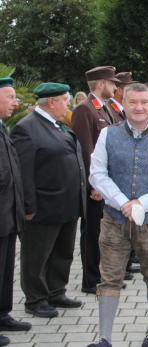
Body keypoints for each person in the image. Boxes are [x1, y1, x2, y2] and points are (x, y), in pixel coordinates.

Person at [88, 83, 148, 347]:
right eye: (133, 102)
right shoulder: (108, 134)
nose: (139, 107)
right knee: (109, 277)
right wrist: (121, 202)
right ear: (124, 104)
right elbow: (97, 173)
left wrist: (143, 202)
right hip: (113, 220)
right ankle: (104, 338)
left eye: (144, 102)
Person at [12, 82, 86, 318]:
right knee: (37, 255)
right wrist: (28, 206)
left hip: (66, 204)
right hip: (43, 206)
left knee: (63, 252)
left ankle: (56, 291)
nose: (69, 104)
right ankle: (35, 299)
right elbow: (24, 171)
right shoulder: (27, 128)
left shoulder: (57, 125)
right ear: (51, 102)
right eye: (66, 99)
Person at [72, 66, 125, 294]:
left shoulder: (105, 110)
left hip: (110, 182)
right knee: (92, 232)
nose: (116, 87)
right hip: (97, 185)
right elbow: (86, 150)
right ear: (101, 83)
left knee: (107, 233)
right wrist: (94, 183)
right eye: (113, 83)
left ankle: (103, 275)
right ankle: (90, 279)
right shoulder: (86, 110)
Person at [0, 77, 31, 347]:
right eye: (10, 97)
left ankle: (3, 314)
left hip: (8, 213)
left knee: (5, 268)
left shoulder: (2, 128)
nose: (16, 102)